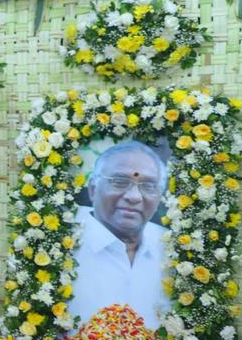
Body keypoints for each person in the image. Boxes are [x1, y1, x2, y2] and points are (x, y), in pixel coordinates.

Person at [71, 140, 170, 329]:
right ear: (92, 189)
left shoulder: (173, 249)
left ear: (159, 197)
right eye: (120, 182)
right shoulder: (58, 243)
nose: (134, 196)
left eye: (148, 186)